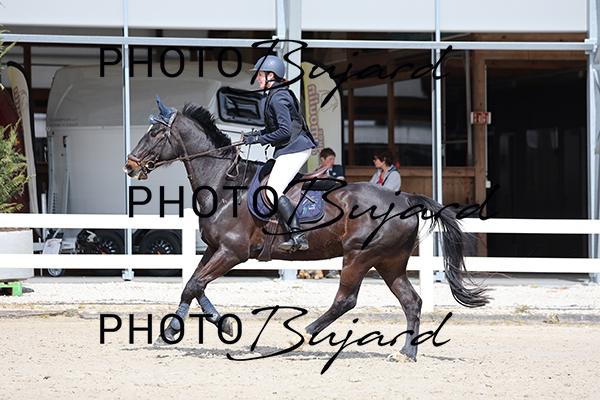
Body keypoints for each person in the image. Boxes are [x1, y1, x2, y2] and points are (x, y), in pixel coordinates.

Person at [244, 55, 318, 252]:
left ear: (271, 75)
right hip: (288, 148)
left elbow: (284, 131)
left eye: (260, 75)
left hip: (296, 148)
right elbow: (274, 128)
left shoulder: (278, 97)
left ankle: (298, 235)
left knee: (273, 189)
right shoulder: (273, 94)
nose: (257, 78)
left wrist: (259, 140)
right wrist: (256, 135)